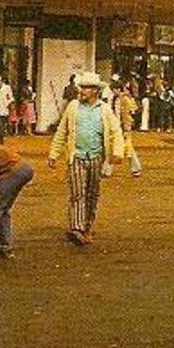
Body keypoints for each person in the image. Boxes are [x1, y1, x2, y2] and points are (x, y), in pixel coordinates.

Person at [47, 71, 124, 246]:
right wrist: (54, 154)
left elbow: (115, 131)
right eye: (81, 87)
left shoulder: (104, 109)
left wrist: (117, 152)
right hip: (76, 156)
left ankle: (86, 227)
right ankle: (77, 228)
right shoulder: (73, 107)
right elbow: (62, 132)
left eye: (86, 88)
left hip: (96, 157)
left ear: (95, 90)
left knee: (92, 194)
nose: (82, 90)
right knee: (77, 193)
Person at [114, 80, 142, 177]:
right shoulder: (126, 98)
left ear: (118, 89)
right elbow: (134, 110)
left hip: (123, 126)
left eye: (114, 90)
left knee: (126, 147)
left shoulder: (122, 99)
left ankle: (136, 167)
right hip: (123, 125)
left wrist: (125, 125)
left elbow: (126, 113)